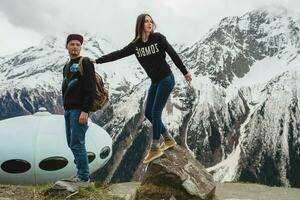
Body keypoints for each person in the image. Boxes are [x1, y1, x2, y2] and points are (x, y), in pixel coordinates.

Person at [91, 14, 192, 164]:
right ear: (140, 25)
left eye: (151, 21)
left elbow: (173, 54)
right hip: (155, 82)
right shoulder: (136, 45)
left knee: (156, 112)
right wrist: (98, 60)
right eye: (146, 21)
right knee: (149, 113)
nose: (149, 24)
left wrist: (185, 72)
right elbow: (118, 54)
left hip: (166, 79)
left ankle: (155, 147)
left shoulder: (158, 38)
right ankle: (169, 139)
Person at [61, 34, 96, 187]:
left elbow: (90, 88)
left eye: (77, 44)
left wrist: (85, 111)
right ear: (67, 46)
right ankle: (80, 173)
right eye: (72, 44)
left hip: (79, 110)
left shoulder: (86, 62)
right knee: (71, 143)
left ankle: (83, 177)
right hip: (68, 110)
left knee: (77, 143)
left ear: (80, 47)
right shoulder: (66, 66)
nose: (75, 47)